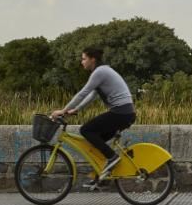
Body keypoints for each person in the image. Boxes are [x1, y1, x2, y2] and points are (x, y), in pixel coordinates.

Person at [51, 47, 135, 178]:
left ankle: (113, 157)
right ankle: (102, 177)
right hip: (125, 114)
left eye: (84, 59)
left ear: (92, 59)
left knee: (86, 130)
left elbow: (82, 93)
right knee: (97, 142)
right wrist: (76, 110)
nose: (82, 62)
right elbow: (92, 95)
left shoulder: (99, 72)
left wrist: (63, 110)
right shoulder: (103, 71)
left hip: (120, 113)